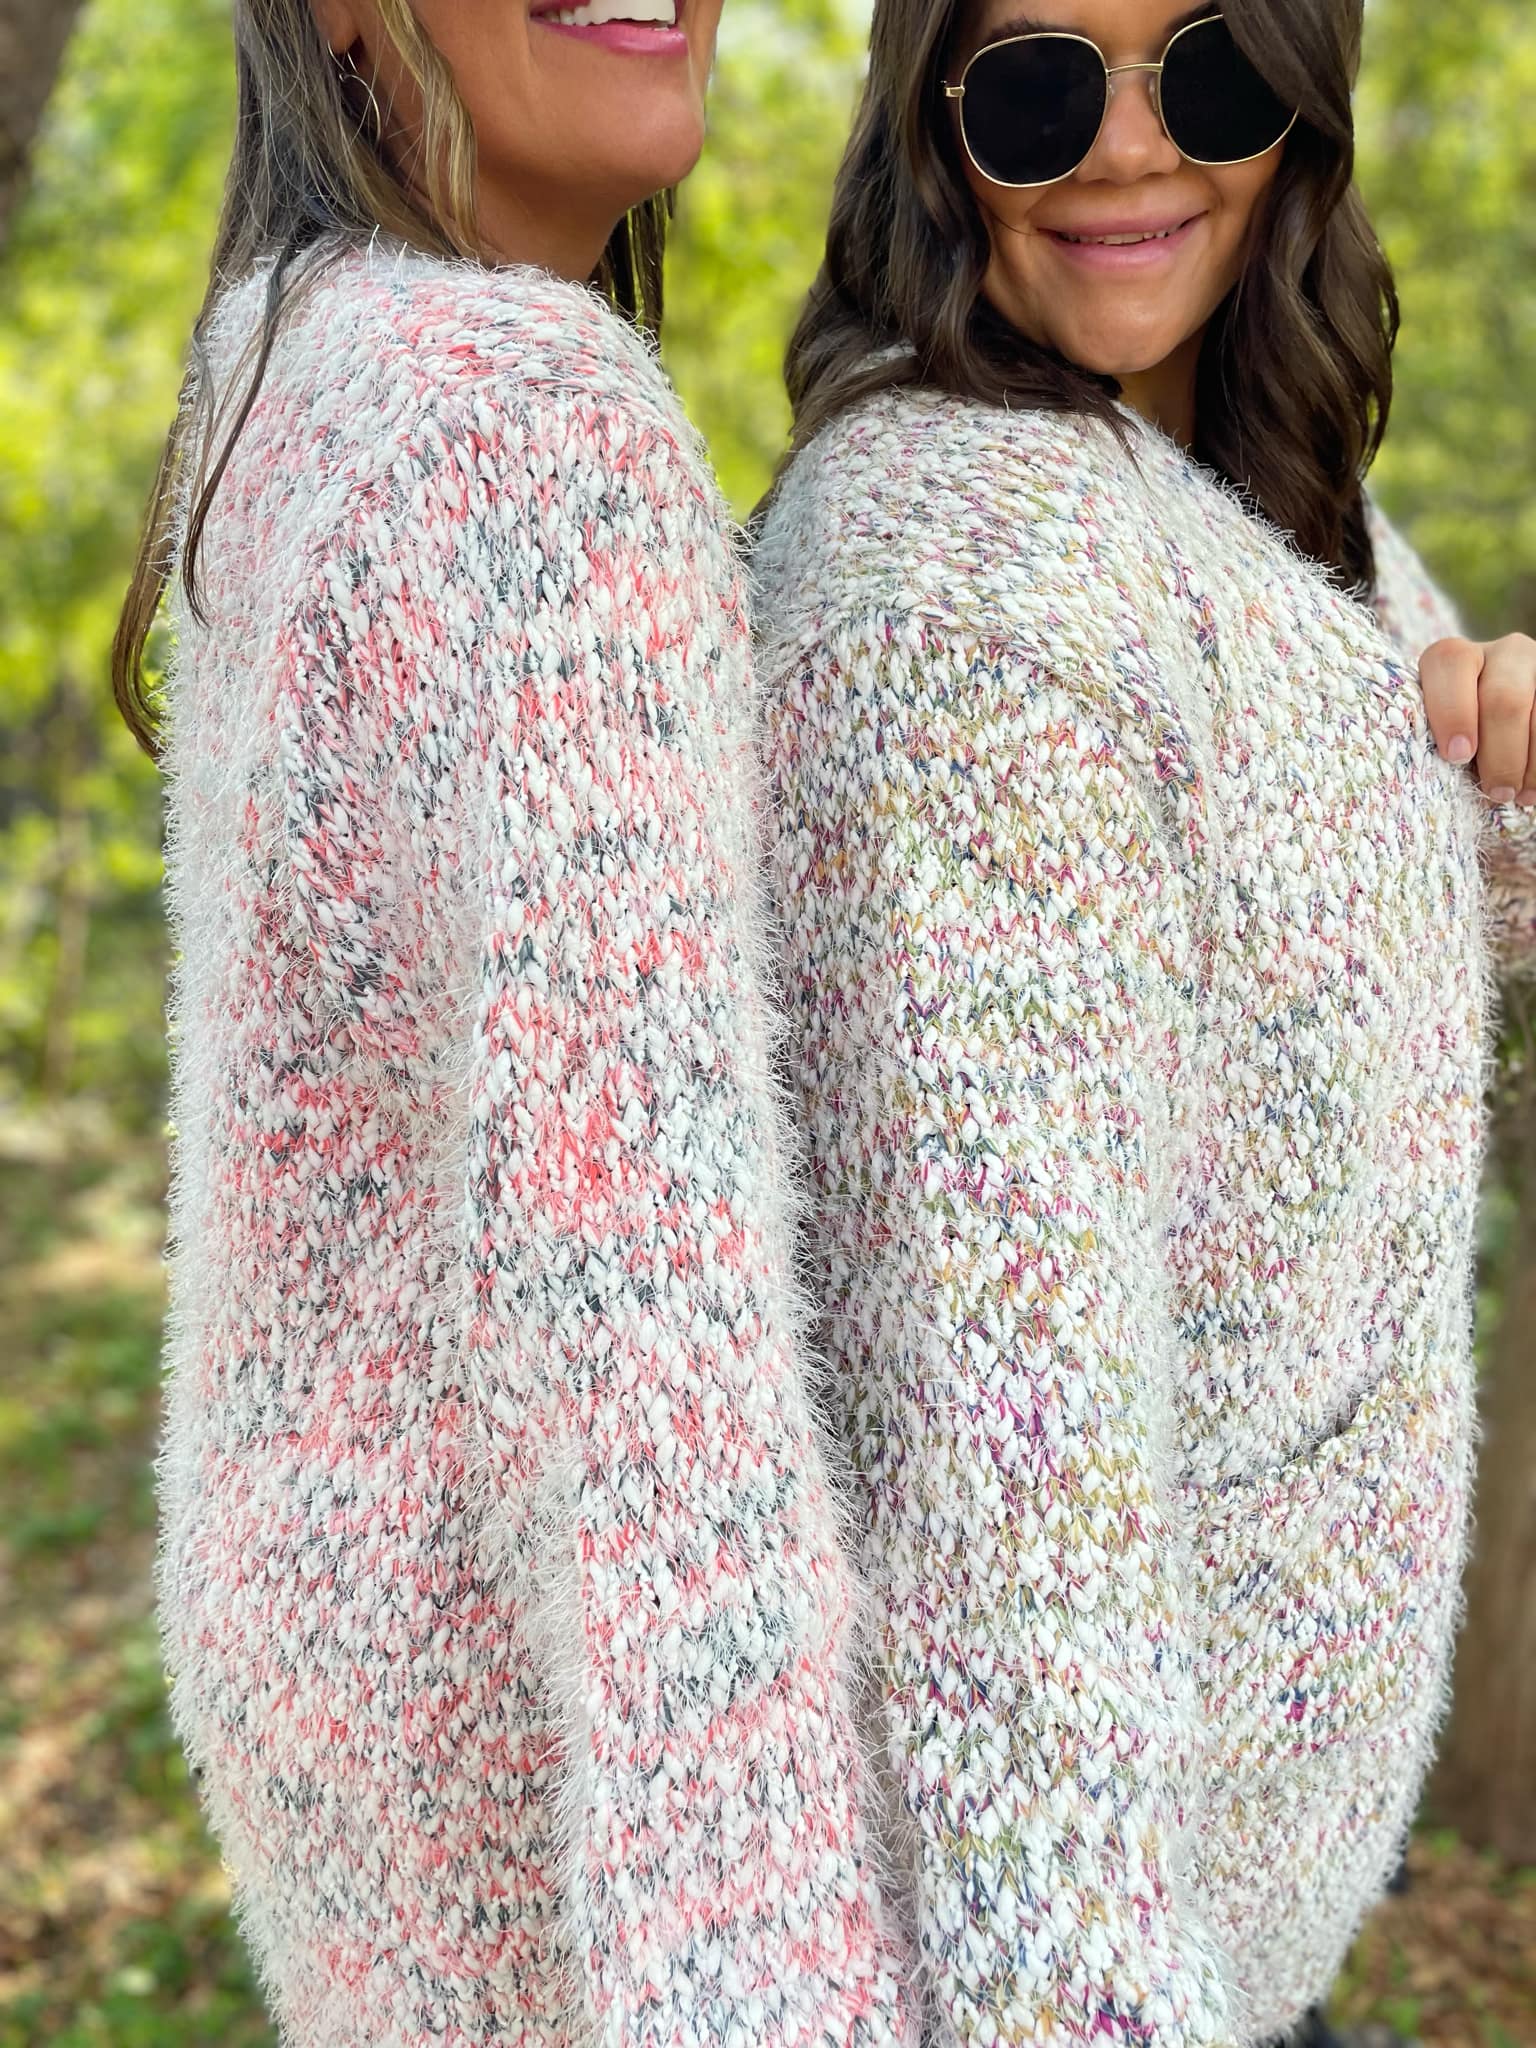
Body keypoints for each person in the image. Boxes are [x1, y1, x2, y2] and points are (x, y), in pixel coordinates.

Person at [111, 3, 916, 2043]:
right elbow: (649, 1365)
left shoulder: (290, 366)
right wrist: (766, 1994)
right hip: (546, 1784)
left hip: (340, 1678)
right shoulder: (529, 420)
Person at [751, 1, 1536, 2044]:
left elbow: (1333, 1041)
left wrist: (1505, 804)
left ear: (1299, 101)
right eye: (1036, 85)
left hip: (1243, 1916)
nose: (1124, 150)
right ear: (930, 126)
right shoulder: (964, 597)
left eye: (1206, 73)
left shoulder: (1292, 528)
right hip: (1089, 1954)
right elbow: (997, 1463)